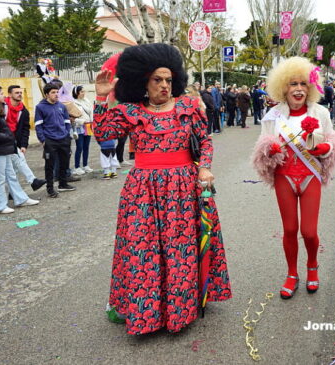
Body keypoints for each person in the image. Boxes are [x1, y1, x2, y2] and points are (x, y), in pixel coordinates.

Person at [93, 43, 231, 335]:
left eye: (169, 79)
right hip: (142, 190)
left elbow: (204, 141)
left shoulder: (188, 107)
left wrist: (204, 166)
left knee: (179, 250)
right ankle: (147, 313)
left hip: (183, 188)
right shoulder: (130, 112)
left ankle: (180, 310)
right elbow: (104, 134)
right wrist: (102, 97)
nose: (165, 85)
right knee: (144, 250)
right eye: (158, 79)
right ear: (144, 81)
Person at [251, 57, 335, 299]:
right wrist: (269, 150)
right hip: (284, 177)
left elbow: (332, 140)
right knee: (290, 229)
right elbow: (262, 146)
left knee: (310, 232)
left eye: (303, 84)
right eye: (293, 84)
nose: (298, 89)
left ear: (311, 87)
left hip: (310, 175)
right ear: (283, 87)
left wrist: (326, 148)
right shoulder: (273, 116)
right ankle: (292, 273)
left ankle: (312, 266)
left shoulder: (321, 112)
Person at [0, 85, 39, 213]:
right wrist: (8, 137)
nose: (4, 96)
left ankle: (21, 199)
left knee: (11, 175)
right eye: (1, 94)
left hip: (4, 149)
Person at [35, 83, 76, 198]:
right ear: (47, 94)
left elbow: (67, 122)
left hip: (63, 139)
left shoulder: (61, 106)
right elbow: (38, 125)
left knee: (64, 162)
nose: (56, 94)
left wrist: (67, 134)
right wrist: (43, 140)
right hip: (50, 140)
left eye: (57, 92)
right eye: (53, 92)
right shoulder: (40, 107)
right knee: (50, 166)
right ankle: (50, 188)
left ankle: (63, 184)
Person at [5, 85, 47, 192]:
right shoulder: (2, 106)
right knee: (19, 160)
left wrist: (24, 145)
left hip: (16, 141)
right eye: (16, 92)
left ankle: (12, 192)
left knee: (14, 168)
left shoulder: (23, 111)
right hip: (4, 140)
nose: (19, 94)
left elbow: (25, 129)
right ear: (10, 94)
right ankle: (33, 181)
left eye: (20, 92)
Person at [72, 85, 94, 175]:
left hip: (88, 126)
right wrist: (82, 121)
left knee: (86, 147)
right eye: (82, 92)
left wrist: (91, 121)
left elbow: (91, 112)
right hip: (79, 127)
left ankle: (85, 165)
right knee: (79, 147)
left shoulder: (87, 101)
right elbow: (72, 117)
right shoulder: (73, 103)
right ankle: (77, 167)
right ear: (77, 93)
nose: (84, 93)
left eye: (84, 91)